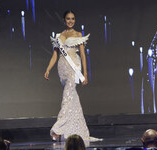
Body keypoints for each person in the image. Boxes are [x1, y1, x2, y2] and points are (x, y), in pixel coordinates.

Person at [44, 10, 101, 142]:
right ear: (64, 20)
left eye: (73, 19)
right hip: (62, 68)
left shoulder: (78, 34)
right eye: (68, 19)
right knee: (72, 98)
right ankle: (74, 129)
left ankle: (58, 129)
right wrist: (48, 69)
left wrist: (85, 74)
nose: (71, 21)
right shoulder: (59, 36)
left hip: (74, 67)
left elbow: (82, 55)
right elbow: (55, 55)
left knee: (67, 96)